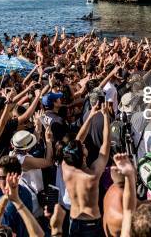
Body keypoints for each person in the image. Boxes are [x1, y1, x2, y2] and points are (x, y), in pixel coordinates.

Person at [62, 102, 111, 237]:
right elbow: (106, 144)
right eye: (83, 147)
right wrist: (106, 116)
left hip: (73, 220)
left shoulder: (66, 167)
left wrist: (90, 116)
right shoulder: (92, 176)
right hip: (91, 225)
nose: (84, 144)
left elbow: (77, 141)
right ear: (84, 157)